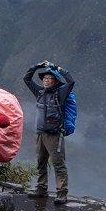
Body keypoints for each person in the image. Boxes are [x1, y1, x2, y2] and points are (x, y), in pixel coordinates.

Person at [23, 61, 76, 203]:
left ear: (55, 81)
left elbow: (71, 81)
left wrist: (58, 68)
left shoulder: (61, 93)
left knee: (58, 163)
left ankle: (62, 193)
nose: (46, 80)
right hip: (40, 133)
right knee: (41, 162)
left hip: (54, 135)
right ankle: (41, 189)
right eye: (44, 78)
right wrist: (35, 66)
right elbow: (26, 79)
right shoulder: (39, 92)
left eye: (49, 79)